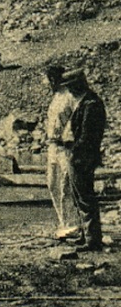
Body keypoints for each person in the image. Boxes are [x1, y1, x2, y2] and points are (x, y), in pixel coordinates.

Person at [61, 69, 107, 252]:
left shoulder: (91, 104)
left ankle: (92, 240)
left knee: (85, 197)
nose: (69, 90)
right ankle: (85, 234)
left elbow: (88, 136)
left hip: (82, 157)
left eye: (71, 86)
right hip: (80, 155)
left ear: (78, 84)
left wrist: (73, 148)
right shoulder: (86, 102)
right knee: (78, 196)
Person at [40, 65, 78, 240]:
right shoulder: (55, 96)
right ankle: (63, 222)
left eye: (47, 80)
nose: (46, 84)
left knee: (66, 186)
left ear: (54, 79)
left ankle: (72, 225)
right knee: (52, 183)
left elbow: (74, 121)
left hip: (65, 147)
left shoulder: (70, 96)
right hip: (52, 146)